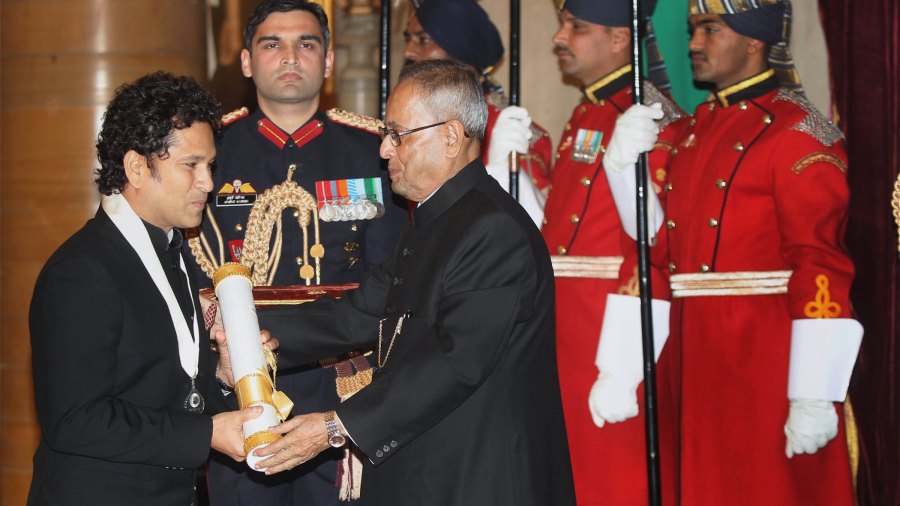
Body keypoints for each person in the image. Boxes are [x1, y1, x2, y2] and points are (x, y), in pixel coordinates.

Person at [248, 59, 576, 505]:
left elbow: (455, 361)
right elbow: (359, 314)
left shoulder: (492, 229)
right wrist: (252, 335)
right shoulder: (436, 218)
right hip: (434, 466)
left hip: (481, 475)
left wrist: (335, 427)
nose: (384, 150)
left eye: (398, 135)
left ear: (451, 136)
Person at [595, 0, 863, 503]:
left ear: (754, 40)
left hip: (763, 355)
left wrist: (812, 390)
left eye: (710, 29)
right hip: (691, 352)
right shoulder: (692, 133)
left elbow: (819, 261)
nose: (694, 43)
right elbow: (658, 250)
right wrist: (621, 172)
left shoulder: (798, 134)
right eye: (694, 29)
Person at [188, 1, 408, 505]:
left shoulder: (372, 149)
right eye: (272, 44)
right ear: (246, 62)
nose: (290, 56)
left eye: (306, 44)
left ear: (327, 62)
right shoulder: (211, 149)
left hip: (342, 386)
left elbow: (395, 273)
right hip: (240, 382)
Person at [27, 72, 265, 506]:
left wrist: (220, 378)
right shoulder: (82, 270)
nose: (208, 182)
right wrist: (208, 433)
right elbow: (75, 420)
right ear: (138, 167)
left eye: (209, 165)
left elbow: (163, 384)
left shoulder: (175, 251)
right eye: (191, 165)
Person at [539, 1, 685, 504]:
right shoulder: (589, 110)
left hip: (613, 335)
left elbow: (654, 250)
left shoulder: (651, 117)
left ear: (622, 39)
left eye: (575, 26)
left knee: (615, 479)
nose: (560, 37)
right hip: (566, 332)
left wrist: (625, 364)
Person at [402, 0, 552, 226]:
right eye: (408, 39)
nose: (409, 52)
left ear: (460, 51)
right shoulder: (408, 119)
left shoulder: (510, 128)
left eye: (423, 40)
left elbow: (531, 224)